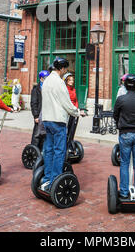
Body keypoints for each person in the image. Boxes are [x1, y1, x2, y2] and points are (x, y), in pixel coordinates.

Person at [40, 57, 85, 192]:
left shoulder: (47, 81)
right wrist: (78, 112)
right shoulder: (59, 83)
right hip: (57, 120)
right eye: (65, 69)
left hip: (47, 119)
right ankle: (55, 180)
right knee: (59, 151)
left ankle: (46, 178)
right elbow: (66, 103)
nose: (65, 72)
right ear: (62, 68)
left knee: (49, 150)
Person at [113, 74, 135, 200]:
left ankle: (123, 192)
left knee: (124, 163)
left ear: (126, 85)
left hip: (125, 134)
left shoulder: (121, 99)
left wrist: (120, 125)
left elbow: (115, 115)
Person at [30, 70, 50, 151]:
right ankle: (34, 151)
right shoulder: (36, 89)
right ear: (41, 78)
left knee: (45, 135)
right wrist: (36, 116)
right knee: (37, 135)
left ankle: (42, 151)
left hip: (47, 115)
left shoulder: (49, 88)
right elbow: (33, 103)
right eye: (46, 78)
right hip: (39, 115)